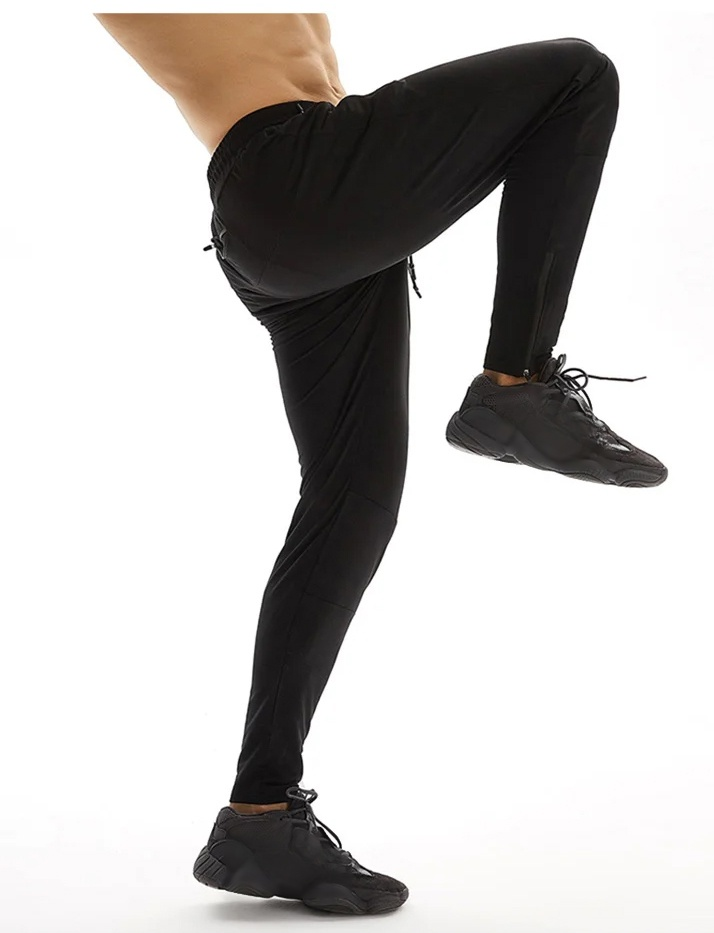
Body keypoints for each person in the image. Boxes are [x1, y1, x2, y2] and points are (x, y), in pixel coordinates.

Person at [92, 11, 668, 916]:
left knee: (352, 502)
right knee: (575, 75)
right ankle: (516, 384)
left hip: (328, 219)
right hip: (290, 179)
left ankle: (260, 815)